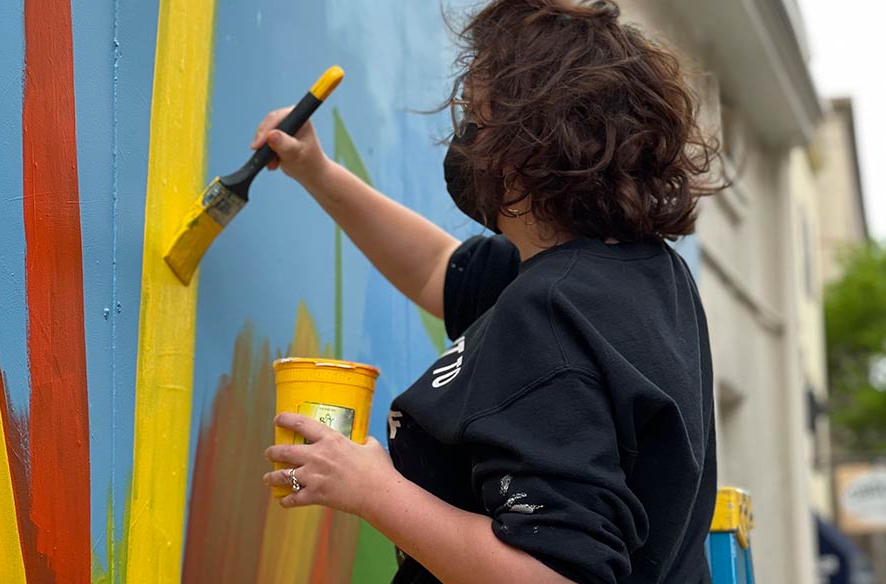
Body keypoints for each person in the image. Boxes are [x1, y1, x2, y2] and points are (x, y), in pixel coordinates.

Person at [260, 0, 724, 582]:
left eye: (478, 123)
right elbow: (439, 270)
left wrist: (372, 491)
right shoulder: (641, 276)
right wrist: (317, 172)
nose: (466, 144)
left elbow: (557, 575)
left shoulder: (551, 311)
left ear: (533, 146)